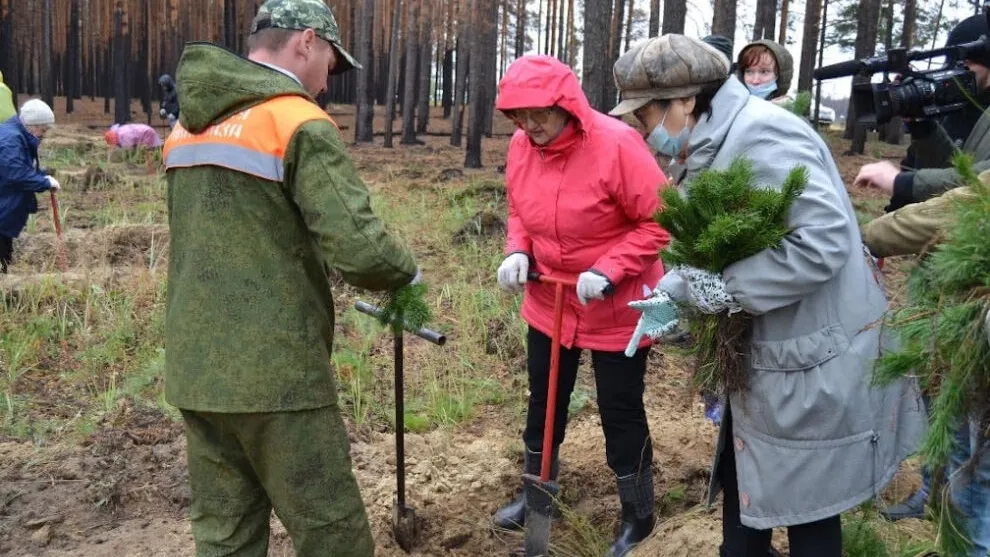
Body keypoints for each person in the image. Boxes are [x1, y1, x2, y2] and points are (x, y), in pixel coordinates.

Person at [611, 35, 924, 557]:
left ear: (685, 101)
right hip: (770, 365)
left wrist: (720, 290)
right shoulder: (708, 145)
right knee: (745, 512)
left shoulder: (764, 137)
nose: (640, 130)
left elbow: (822, 241)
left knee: (810, 521)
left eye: (643, 115)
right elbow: (720, 243)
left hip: (811, 363)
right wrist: (677, 293)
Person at [162, 1, 420, 555]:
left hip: (195, 367)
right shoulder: (294, 120)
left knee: (225, 535)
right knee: (333, 535)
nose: (328, 80)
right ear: (306, 41)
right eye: (330, 59)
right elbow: (360, 247)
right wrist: (406, 272)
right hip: (276, 372)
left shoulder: (188, 125)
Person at [492, 54, 670, 556]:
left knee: (620, 409)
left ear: (566, 104)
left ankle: (638, 516)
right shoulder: (522, 146)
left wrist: (609, 268)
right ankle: (537, 495)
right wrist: (517, 249)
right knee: (543, 402)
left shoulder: (617, 145)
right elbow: (519, 208)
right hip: (549, 298)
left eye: (540, 114)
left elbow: (659, 221)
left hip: (615, 305)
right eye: (519, 117)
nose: (530, 126)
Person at [855, 14, 990, 521]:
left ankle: (962, 520)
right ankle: (934, 493)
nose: (967, 74)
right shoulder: (973, 109)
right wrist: (925, 124)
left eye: (972, 63)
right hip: (945, 277)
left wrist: (900, 191)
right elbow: (953, 167)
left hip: (975, 288)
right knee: (940, 394)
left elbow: (972, 189)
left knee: (971, 419)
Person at [860, 173, 990, 556]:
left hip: (976, 343)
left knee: (976, 471)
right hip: (964, 342)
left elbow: (928, 217)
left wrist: (865, 234)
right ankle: (941, 510)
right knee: (958, 442)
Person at [855, 14, 990, 211]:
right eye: (951, 63)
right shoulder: (951, 109)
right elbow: (952, 169)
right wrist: (921, 125)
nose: (955, 71)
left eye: (965, 64)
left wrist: (899, 182)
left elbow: (981, 182)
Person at [0, 99, 61, 274]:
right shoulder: (11, 140)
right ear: (32, 125)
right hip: (3, 207)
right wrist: (44, 182)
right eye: (43, 129)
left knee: (4, 256)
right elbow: (16, 174)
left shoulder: (17, 135)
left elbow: (21, 168)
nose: (44, 134)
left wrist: (41, 175)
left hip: (5, 208)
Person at [736, 40, 794, 105]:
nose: (755, 81)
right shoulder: (731, 106)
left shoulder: (791, 112)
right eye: (749, 72)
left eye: (764, 72)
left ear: (780, 75)